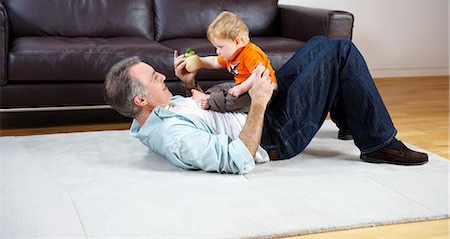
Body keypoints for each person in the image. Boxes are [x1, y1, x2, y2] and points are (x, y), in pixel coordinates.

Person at [104, 36, 428, 175]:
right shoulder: (173, 137)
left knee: (318, 44)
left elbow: (206, 113)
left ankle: (352, 120)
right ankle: (379, 143)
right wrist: (258, 102)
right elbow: (238, 159)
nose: (161, 75)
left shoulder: (157, 115)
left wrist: (190, 85)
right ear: (140, 100)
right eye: (153, 77)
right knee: (340, 52)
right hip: (273, 134)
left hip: (257, 110)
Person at [191, 11, 277, 113]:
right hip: (243, 86)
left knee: (236, 101)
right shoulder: (231, 54)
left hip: (264, 92)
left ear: (237, 42)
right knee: (220, 87)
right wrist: (199, 61)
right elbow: (214, 61)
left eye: (220, 47)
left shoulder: (250, 53)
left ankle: (211, 101)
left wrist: (242, 88)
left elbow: (259, 74)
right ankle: (209, 96)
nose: (218, 52)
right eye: (216, 47)